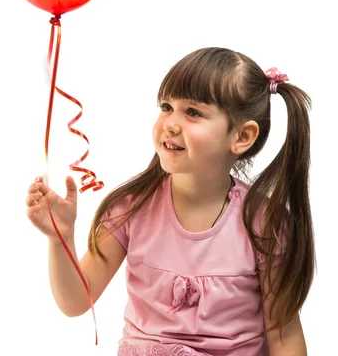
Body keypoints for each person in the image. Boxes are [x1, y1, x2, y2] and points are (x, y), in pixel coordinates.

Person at [26, 47, 315, 356]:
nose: (171, 123)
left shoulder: (265, 224)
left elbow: (284, 337)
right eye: (166, 106)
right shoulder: (130, 208)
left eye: (193, 112)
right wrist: (61, 239)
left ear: (242, 137)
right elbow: (75, 302)